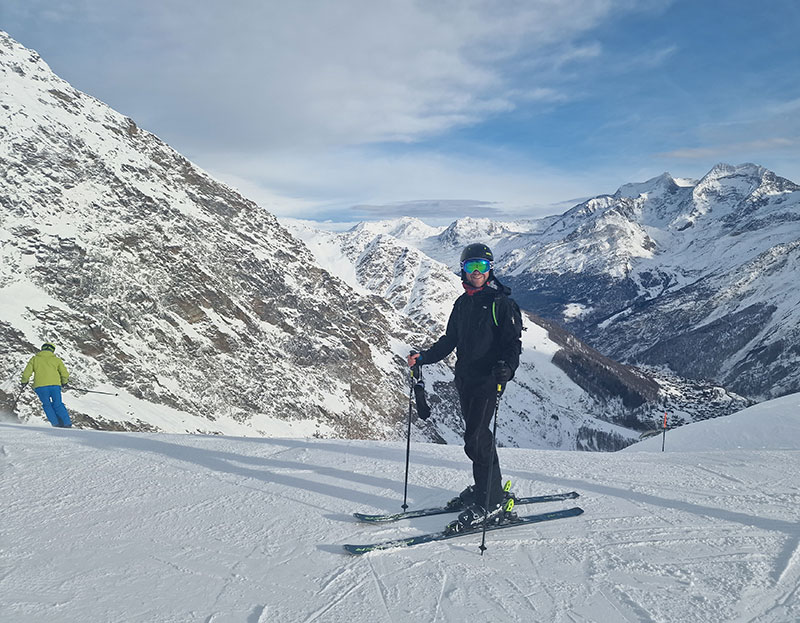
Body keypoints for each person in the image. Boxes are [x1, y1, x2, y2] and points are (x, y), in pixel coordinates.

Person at [408, 243, 523, 533]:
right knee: (478, 438)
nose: (476, 273)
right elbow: (450, 341)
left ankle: (491, 502)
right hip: (465, 379)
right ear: (463, 269)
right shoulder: (462, 303)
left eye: (482, 267)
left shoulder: (501, 303)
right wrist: (424, 357)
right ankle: (487, 489)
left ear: (491, 270)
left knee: (475, 439)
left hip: (489, 380)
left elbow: (512, 345)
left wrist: (507, 369)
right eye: (471, 266)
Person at [20, 342, 72, 428]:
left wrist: (24, 381)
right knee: (58, 404)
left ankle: (56, 424)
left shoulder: (35, 359)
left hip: (40, 386)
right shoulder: (56, 360)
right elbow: (64, 373)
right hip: (55, 385)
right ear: (52, 350)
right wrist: (64, 382)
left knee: (47, 405)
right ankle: (66, 423)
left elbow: (26, 373)